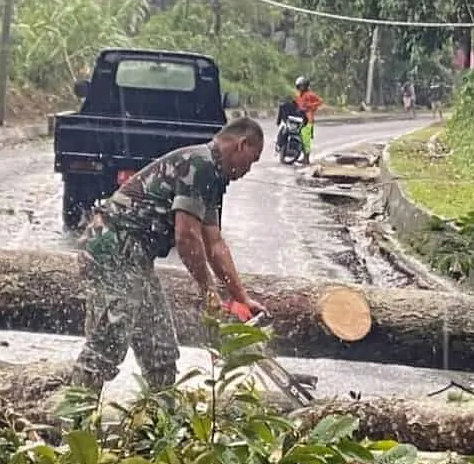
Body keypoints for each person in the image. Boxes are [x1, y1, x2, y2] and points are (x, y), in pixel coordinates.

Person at [69, 118, 264, 397]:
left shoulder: (212, 176)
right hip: (112, 246)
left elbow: (214, 244)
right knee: (105, 347)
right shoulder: (200, 164)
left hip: (136, 256)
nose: (247, 170)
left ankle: (159, 425)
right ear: (241, 144)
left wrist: (240, 297)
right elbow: (186, 238)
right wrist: (209, 291)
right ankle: (74, 426)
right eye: (251, 160)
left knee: (160, 350)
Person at [292, 75, 324, 160]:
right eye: (299, 86)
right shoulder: (299, 95)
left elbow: (320, 101)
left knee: (306, 140)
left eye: (302, 86)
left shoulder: (310, 94)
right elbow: (298, 104)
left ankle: (306, 159)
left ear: (305, 86)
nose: (301, 88)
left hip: (308, 119)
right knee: (300, 138)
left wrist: (310, 106)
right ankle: (302, 155)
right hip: (300, 118)